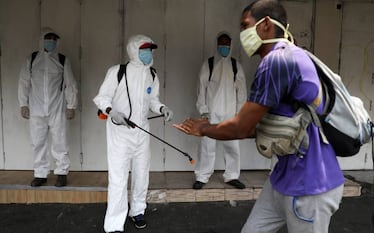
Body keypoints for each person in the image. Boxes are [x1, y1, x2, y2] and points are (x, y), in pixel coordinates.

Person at [174, 1, 345, 233]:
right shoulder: (285, 57)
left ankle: (230, 173)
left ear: (265, 25)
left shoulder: (277, 61)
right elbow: (261, 126)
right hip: (282, 179)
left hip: (310, 184)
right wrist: (215, 122)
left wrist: (202, 129)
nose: (242, 33)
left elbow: (243, 128)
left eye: (245, 26)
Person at [93, 34, 173, 233]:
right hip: (119, 133)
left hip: (142, 132)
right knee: (119, 178)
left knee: (141, 173)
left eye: (150, 50)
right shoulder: (117, 72)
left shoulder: (152, 74)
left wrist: (162, 108)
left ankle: (137, 210)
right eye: (144, 49)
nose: (148, 53)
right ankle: (114, 225)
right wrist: (112, 111)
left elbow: (152, 100)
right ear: (133, 50)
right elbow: (102, 97)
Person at [18, 27, 78, 187]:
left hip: (57, 107)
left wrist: (71, 105)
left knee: (60, 140)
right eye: (48, 38)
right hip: (36, 107)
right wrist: (23, 104)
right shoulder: (32, 59)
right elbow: (24, 83)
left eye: (53, 39)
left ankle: (61, 172)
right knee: (37, 141)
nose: (51, 41)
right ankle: (40, 173)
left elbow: (70, 84)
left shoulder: (62, 60)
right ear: (41, 39)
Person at [194, 31, 247, 190]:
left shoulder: (235, 65)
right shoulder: (209, 64)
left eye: (227, 44)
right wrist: (203, 110)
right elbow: (200, 88)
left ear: (231, 46)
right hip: (210, 113)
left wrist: (240, 113)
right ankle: (202, 177)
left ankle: (232, 176)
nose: (224, 47)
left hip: (230, 113)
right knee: (207, 146)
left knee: (232, 146)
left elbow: (242, 91)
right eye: (221, 44)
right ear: (216, 45)